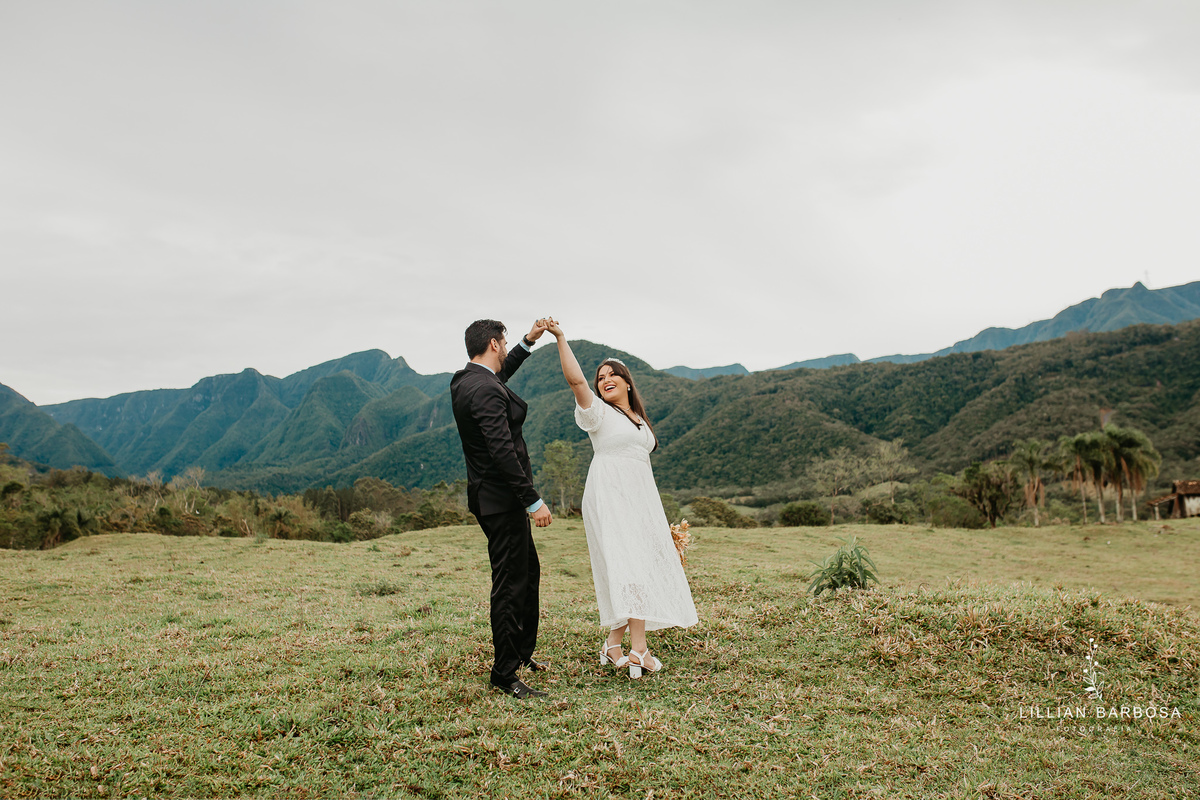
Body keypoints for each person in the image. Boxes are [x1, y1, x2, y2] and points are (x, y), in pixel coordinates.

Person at [546, 320, 698, 678]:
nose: (605, 380)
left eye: (612, 374)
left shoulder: (638, 419)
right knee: (632, 566)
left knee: (635, 566)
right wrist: (561, 338)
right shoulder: (598, 413)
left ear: (628, 382)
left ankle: (613, 644)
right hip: (609, 495)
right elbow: (576, 382)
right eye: (600, 377)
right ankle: (639, 650)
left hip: (639, 499)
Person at [450, 318, 555, 699]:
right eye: (506, 343)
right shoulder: (484, 389)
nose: (507, 348)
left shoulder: (467, 380)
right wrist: (532, 500)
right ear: (494, 344)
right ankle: (504, 673)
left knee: (527, 572)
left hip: (493, 498)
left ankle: (521, 652)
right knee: (510, 584)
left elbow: (500, 375)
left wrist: (528, 341)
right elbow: (502, 452)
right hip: (502, 500)